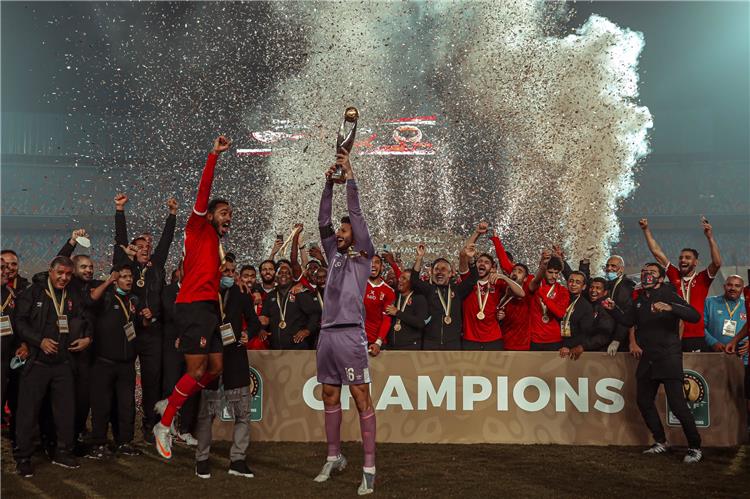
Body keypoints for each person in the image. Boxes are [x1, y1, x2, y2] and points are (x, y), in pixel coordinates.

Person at [152, 136, 232, 460]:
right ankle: (164, 425)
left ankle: (172, 401)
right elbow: (203, 192)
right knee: (197, 371)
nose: (228, 217)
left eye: (230, 214)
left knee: (216, 368)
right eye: (224, 212)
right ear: (209, 214)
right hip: (192, 306)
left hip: (209, 309)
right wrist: (213, 156)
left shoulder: (213, 240)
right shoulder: (197, 226)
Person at [312, 149, 377, 495]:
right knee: (328, 394)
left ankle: (369, 467)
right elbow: (322, 220)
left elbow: (357, 215)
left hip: (352, 335)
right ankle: (333, 456)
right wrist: (328, 184)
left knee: (360, 396)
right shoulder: (333, 254)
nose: (338, 232)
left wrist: (350, 178)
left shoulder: (364, 255)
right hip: (327, 335)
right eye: (339, 229)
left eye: (344, 229)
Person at [604, 262, 703, 463]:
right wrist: (613, 310)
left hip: (668, 357)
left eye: (652, 272)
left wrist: (670, 307)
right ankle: (661, 441)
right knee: (643, 401)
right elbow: (627, 321)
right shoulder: (640, 298)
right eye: (644, 271)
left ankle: (695, 447)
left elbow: (694, 315)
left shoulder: (669, 294)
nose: (646, 274)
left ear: (660, 278)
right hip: (648, 358)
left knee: (677, 405)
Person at [14, 256, 92, 477]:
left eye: (68, 274)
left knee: (65, 411)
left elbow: (86, 318)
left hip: (63, 363)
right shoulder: (33, 292)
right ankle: (23, 458)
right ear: (50, 271)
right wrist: (39, 341)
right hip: (37, 362)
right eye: (60, 273)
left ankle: (63, 452)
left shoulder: (72, 294)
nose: (64, 277)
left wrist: (88, 338)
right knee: (28, 413)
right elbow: (19, 322)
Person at [113, 193, 178, 440]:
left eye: (147, 248)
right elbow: (120, 240)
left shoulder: (157, 266)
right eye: (140, 247)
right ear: (133, 250)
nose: (145, 250)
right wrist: (120, 211)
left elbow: (166, 241)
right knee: (126, 380)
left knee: (152, 380)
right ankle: (123, 427)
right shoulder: (126, 266)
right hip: (131, 331)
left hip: (153, 332)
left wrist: (172, 215)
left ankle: (150, 425)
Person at [194, 258, 260, 479]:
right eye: (225, 271)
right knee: (207, 413)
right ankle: (202, 459)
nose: (230, 275)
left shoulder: (241, 293)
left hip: (235, 357)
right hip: (211, 358)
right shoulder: (205, 294)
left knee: (242, 413)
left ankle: (238, 460)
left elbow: (254, 321)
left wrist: (248, 333)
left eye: (232, 271)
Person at [640, 218, 722, 352]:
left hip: (695, 335)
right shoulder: (674, 274)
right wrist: (646, 229)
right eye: (681, 257)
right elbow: (657, 252)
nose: (683, 260)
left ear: (695, 262)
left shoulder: (703, 279)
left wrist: (710, 237)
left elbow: (717, 263)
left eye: (688, 258)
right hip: (673, 333)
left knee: (694, 367)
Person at [86, 264, 141, 458]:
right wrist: (108, 281)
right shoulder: (106, 297)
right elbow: (90, 300)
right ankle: (99, 443)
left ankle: (124, 441)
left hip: (126, 364)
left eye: (130, 276)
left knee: (126, 405)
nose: (129, 279)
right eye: (124, 276)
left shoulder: (134, 300)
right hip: (104, 362)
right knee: (102, 405)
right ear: (115, 279)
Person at [410, 243, 479, 350]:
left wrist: (470, 259)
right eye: (436, 269)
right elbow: (414, 281)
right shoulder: (429, 289)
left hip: (453, 342)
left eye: (443, 269)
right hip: (430, 342)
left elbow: (473, 279)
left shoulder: (457, 290)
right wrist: (419, 258)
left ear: (450, 273)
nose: (439, 272)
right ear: (431, 273)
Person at [161, 263, 199, 446]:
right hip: (172, 347)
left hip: (192, 347)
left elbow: (201, 315)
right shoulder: (168, 291)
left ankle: (185, 430)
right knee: (171, 387)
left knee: (190, 388)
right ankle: (167, 428)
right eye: (185, 269)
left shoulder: (198, 290)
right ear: (179, 271)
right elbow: (173, 313)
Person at [462, 252, 524, 351]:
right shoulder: (468, 281)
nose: (482, 264)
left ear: (491, 268)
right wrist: (466, 254)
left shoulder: (497, 283)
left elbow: (521, 293)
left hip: (493, 339)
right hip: (470, 339)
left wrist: (504, 277)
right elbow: (463, 260)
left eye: (486, 262)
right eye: (480, 261)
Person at [259, 260, 321, 350]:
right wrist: (261, 329)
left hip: (298, 347)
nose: (283, 275)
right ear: (275, 277)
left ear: (292, 277)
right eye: (280, 273)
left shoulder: (300, 293)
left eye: (287, 273)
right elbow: (264, 316)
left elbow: (314, 314)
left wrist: (307, 330)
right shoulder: (270, 296)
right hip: (275, 348)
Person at [527, 251, 570, 351]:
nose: (554, 276)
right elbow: (534, 283)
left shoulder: (562, 290)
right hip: (535, 339)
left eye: (556, 273)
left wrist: (544, 297)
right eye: (550, 272)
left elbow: (560, 314)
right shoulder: (536, 284)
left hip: (554, 339)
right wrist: (542, 267)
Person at [384, 269, 428, 350]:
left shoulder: (419, 299)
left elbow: (421, 323)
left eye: (404, 278)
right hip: (391, 347)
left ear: (411, 282)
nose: (399, 280)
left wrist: (398, 313)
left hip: (410, 347)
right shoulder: (394, 296)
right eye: (400, 277)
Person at [602, 255, 635, 355]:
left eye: (613, 266)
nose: (609, 268)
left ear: (621, 269)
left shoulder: (627, 285)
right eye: (607, 265)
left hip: (620, 340)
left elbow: (626, 315)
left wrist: (617, 339)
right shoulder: (609, 283)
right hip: (607, 334)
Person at [363, 255, 396, 356]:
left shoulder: (389, 291)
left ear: (382, 267)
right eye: (370, 262)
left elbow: (387, 320)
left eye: (376, 262)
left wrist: (378, 342)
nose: (373, 265)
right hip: (357, 339)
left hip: (376, 341)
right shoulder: (359, 285)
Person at [704, 275, 746, 353]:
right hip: (714, 352)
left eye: (737, 286)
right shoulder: (709, 302)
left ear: (743, 288)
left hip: (742, 353)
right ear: (724, 286)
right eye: (729, 285)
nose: (733, 288)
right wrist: (712, 342)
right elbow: (700, 327)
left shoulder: (748, 304)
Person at [498, 263, 532, 351]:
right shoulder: (503, 290)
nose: (515, 273)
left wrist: (504, 277)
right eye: (514, 270)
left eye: (520, 272)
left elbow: (522, 294)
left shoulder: (528, 292)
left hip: (522, 344)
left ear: (525, 278)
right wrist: (499, 316)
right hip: (504, 342)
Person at [586, 277, 617, 351]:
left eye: (598, 288)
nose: (593, 290)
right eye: (591, 287)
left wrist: (582, 346)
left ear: (605, 292)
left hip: (599, 352)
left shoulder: (607, 307)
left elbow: (604, 336)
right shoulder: (590, 305)